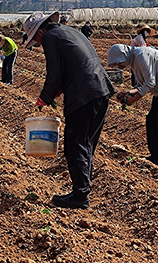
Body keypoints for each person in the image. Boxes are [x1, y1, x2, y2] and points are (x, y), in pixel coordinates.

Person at [23, 11, 115, 210]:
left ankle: (80, 196)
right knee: (86, 143)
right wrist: (56, 92)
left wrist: (44, 97)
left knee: (75, 144)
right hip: (100, 90)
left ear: (39, 32)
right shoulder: (68, 31)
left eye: (35, 40)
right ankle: (83, 189)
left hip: (84, 94)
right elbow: (73, 66)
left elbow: (54, 72)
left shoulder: (49, 37)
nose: (38, 44)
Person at [107, 44, 158, 170]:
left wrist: (133, 99)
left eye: (118, 63)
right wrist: (128, 93)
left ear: (123, 56)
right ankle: (156, 157)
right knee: (152, 120)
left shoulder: (141, 55)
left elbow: (150, 82)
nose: (119, 66)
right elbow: (142, 85)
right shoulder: (134, 61)